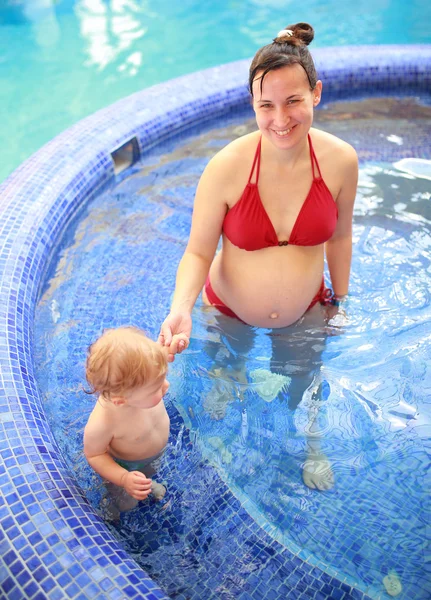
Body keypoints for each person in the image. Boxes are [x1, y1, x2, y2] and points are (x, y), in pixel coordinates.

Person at [159, 23, 358, 490]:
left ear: (317, 93)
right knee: (223, 385)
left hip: (306, 308)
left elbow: (342, 237)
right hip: (228, 310)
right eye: (265, 105)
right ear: (253, 105)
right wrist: (181, 309)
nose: (280, 118)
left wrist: (342, 303)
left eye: (293, 101)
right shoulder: (226, 167)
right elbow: (197, 250)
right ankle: (229, 378)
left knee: (304, 387)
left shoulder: (340, 160)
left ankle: (313, 444)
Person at [83, 326, 170, 518]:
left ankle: (147, 482)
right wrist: (123, 478)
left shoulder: (147, 378)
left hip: (151, 457)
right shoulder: (104, 421)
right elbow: (94, 455)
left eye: (163, 377)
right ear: (122, 401)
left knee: (147, 475)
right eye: (155, 388)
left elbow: (156, 363)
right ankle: (111, 509)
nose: (166, 385)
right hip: (125, 466)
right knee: (127, 503)